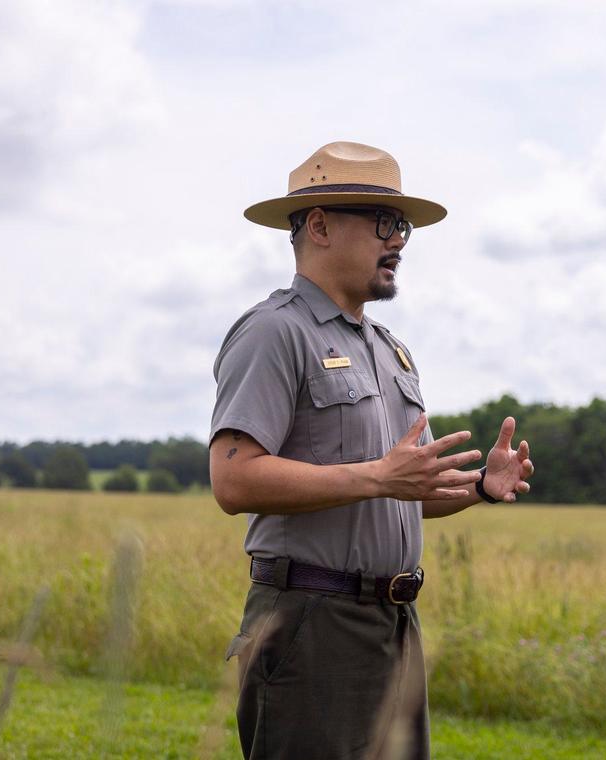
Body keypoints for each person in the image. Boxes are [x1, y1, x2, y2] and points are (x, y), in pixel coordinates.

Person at [209, 141, 534, 760]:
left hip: (394, 622)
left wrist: (477, 490)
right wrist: (378, 476)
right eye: (384, 222)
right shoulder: (275, 332)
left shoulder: (390, 350)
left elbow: (398, 492)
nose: (400, 241)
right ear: (321, 226)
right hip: (310, 623)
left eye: (404, 226)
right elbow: (234, 481)